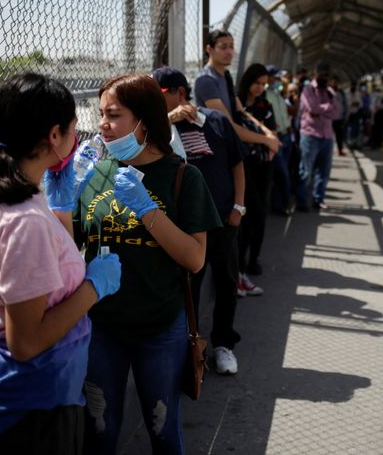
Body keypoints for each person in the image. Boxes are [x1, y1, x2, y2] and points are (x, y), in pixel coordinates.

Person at [0, 73, 122, 454]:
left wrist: (59, 205)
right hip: (35, 407)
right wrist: (94, 287)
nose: (77, 139)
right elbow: (27, 342)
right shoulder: (25, 221)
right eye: (73, 130)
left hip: (30, 397)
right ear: (54, 136)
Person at [76, 74, 221, 454]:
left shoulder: (183, 178)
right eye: (101, 114)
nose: (103, 124)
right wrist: (57, 195)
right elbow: (68, 241)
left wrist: (147, 209)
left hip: (160, 328)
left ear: (144, 121)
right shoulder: (95, 175)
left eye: (114, 115)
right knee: (99, 430)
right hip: (102, 326)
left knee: (163, 429)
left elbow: (194, 258)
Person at [153, 65, 247, 374]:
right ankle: (189, 348)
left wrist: (238, 207)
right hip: (184, 225)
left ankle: (223, 344)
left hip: (221, 219)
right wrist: (167, 120)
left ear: (181, 93)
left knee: (226, 280)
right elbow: (142, 147)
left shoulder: (216, 121)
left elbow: (237, 164)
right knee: (187, 288)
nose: (155, 100)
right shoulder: (159, 127)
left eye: (160, 95)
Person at [193, 29, 280, 157]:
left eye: (231, 46)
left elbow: (242, 111)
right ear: (209, 49)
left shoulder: (226, 76)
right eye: (223, 47)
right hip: (215, 150)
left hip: (231, 146)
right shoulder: (206, 81)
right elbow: (228, 126)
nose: (229, 52)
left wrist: (268, 132)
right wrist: (266, 140)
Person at [236, 63, 276, 289]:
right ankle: (240, 267)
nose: (260, 88)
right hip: (244, 165)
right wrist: (263, 139)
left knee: (260, 213)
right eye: (257, 83)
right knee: (251, 212)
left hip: (263, 164)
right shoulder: (235, 105)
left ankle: (252, 260)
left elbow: (272, 134)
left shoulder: (264, 105)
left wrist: (267, 141)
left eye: (263, 84)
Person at [295, 63, 339, 212]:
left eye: (326, 76)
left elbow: (336, 113)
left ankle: (318, 199)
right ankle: (301, 201)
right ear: (315, 74)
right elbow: (311, 108)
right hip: (310, 135)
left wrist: (321, 109)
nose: (324, 78)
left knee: (324, 171)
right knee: (306, 170)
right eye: (321, 75)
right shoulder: (308, 89)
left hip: (327, 136)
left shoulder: (330, 92)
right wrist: (327, 107)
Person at [265, 65, 293, 215]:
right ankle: (283, 203)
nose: (278, 80)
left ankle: (278, 205)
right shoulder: (265, 95)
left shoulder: (277, 94)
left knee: (282, 172)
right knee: (282, 173)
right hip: (276, 137)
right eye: (275, 77)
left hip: (285, 134)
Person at [330, 76, 348, 156]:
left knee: (339, 135)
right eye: (333, 82)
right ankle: (329, 151)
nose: (335, 84)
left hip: (339, 118)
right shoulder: (327, 92)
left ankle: (340, 149)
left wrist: (345, 116)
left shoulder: (341, 93)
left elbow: (345, 104)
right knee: (329, 136)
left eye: (336, 83)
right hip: (330, 118)